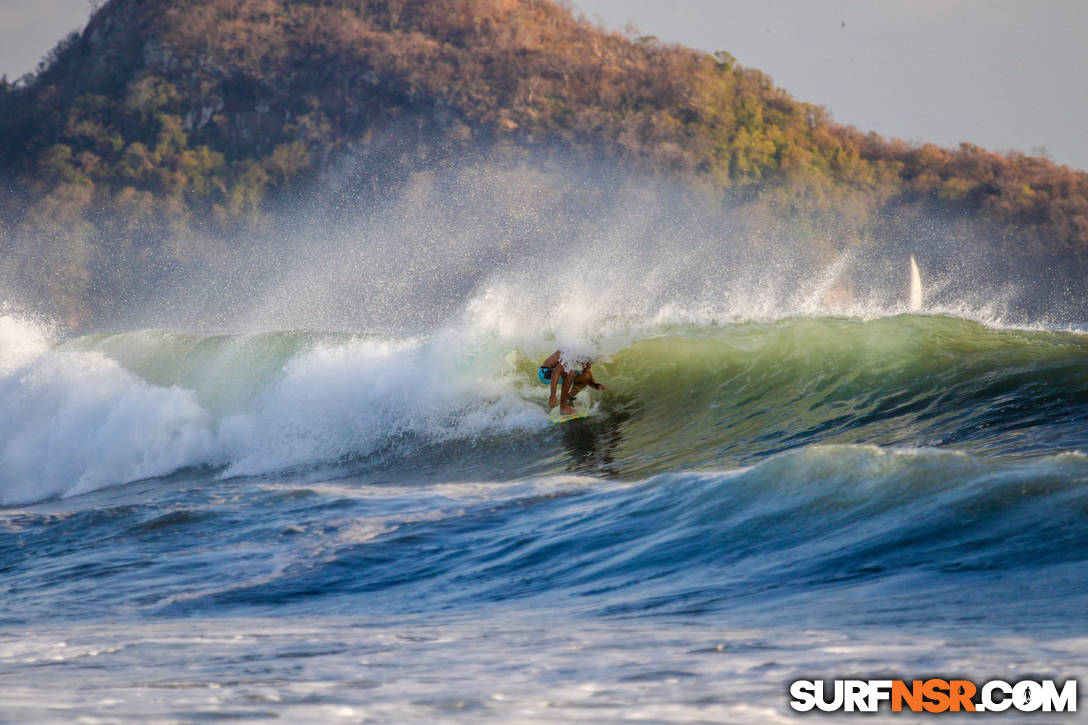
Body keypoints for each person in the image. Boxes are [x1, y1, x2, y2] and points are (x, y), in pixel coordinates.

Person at [538, 350, 606, 416]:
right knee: (570, 371)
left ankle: (568, 400)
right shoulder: (572, 355)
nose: (589, 364)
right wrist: (553, 396)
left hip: (555, 374)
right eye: (588, 362)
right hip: (545, 373)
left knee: (585, 374)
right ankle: (563, 407)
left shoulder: (584, 360)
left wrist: (597, 385)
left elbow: (589, 379)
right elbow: (555, 373)